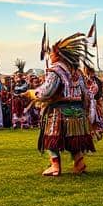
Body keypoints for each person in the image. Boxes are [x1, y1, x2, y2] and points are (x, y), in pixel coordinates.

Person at [27, 33, 97, 176]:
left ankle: (55, 166)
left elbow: (47, 91)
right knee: (74, 140)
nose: (50, 56)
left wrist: (31, 93)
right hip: (77, 111)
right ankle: (79, 163)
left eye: (51, 53)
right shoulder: (76, 72)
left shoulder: (56, 71)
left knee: (51, 138)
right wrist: (85, 109)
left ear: (58, 55)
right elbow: (85, 93)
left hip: (58, 111)